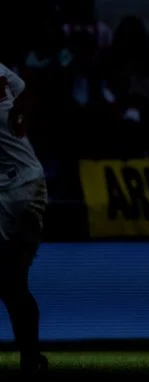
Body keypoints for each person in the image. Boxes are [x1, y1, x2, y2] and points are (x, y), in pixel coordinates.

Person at [0, 63, 48, 376]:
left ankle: (30, 357)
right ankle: (30, 357)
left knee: (14, 281)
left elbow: (28, 93)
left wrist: (18, 117)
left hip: (29, 187)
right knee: (10, 283)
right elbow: (25, 89)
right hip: (8, 189)